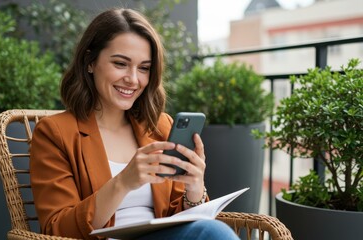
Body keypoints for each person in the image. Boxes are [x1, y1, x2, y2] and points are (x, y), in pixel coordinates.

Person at [30, 8, 239, 240]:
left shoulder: (159, 126)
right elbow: (57, 229)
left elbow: (182, 223)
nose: (133, 79)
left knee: (212, 231)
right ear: (90, 62)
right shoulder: (55, 133)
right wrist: (123, 182)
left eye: (144, 68)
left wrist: (195, 188)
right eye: (120, 64)